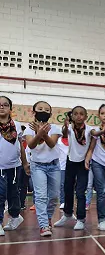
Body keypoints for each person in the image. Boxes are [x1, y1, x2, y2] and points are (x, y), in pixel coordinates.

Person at [24, 101, 62, 236]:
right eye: (40, 109)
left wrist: (42, 133)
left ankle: (48, 218)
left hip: (54, 166)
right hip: (38, 166)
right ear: (34, 112)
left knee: (54, 196)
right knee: (40, 196)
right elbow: (32, 145)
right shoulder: (29, 129)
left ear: (50, 114)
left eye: (46, 110)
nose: (43, 111)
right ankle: (44, 225)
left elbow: (51, 144)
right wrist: (38, 133)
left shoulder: (55, 128)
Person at [54, 106, 92, 230]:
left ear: (86, 117)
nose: (78, 116)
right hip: (70, 162)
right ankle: (67, 214)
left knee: (80, 191)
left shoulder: (89, 130)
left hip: (83, 164)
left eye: (81, 114)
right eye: (75, 114)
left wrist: (103, 130)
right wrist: (65, 126)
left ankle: (81, 218)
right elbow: (64, 134)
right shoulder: (69, 128)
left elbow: (96, 135)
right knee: (67, 189)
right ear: (72, 116)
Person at [0, 96, 29, 236]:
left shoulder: (17, 125)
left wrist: (25, 163)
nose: (2, 107)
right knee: (0, 194)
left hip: (14, 166)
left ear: (10, 108)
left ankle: (15, 217)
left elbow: (21, 146)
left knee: (13, 193)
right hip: (0, 166)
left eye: (5, 105)